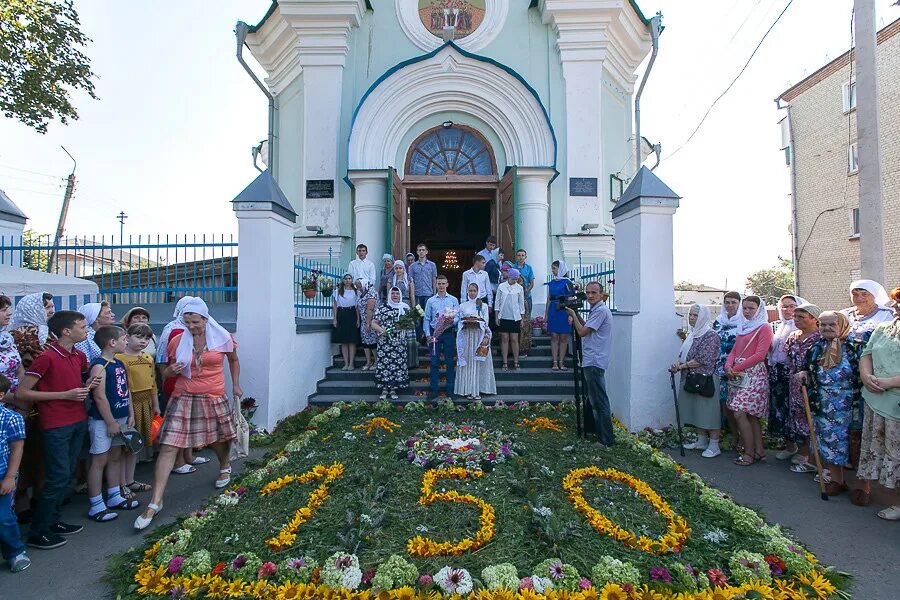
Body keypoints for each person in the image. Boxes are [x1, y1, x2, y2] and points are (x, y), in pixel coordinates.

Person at [134, 298, 241, 530]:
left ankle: (224, 466)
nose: (191, 326)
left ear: (205, 319)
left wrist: (236, 385)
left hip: (213, 394)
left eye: (195, 322)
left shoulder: (222, 338)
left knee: (219, 440)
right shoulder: (176, 340)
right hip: (183, 396)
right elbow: (164, 369)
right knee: (169, 446)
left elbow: (233, 360)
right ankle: (156, 501)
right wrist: (169, 371)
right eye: (187, 322)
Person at [17, 310, 92, 550]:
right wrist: (64, 396)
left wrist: (87, 385)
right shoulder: (47, 357)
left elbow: (77, 383)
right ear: (66, 331)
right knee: (57, 477)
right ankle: (38, 531)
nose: (86, 329)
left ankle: (53, 520)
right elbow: (22, 392)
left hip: (77, 420)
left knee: (67, 474)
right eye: (82, 326)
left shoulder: (78, 355)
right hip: (56, 424)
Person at [797, 311, 862, 496]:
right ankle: (836, 480)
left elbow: (861, 375)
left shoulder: (854, 347)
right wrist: (803, 373)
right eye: (823, 325)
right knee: (828, 442)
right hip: (823, 403)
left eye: (831, 325)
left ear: (841, 325)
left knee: (853, 444)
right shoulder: (817, 347)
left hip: (850, 405)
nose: (826, 328)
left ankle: (861, 487)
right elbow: (807, 367)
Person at [853, 287, 900, 520]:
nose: (897, 307)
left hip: (896, 400)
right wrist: (866, 376)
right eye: (896, 303)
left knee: (897, 451)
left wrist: (890, 381)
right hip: (876, 397)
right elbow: (866, 354)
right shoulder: (883, 328)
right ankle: (893, 501)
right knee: (881, 448)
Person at [85, 325, 139, 523]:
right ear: (112, 342)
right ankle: (96, 503)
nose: (127, 341)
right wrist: (110, 422)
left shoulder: (118, 363)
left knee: (116, 455)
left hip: (122, 418)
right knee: (99, 460)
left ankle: (115, 494)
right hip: (103, 421)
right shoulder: (100, 366)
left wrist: (130, 414)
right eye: (124, 339)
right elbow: (99, 397)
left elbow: (127, 391)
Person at [154, 297, 203, 474]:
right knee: (178, 424)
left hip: (192, 382)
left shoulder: (193, 329)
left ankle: (188, 456)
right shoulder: (173, 330)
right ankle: (178, 461)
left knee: (189, 421)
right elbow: (162, 358)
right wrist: (166, 377)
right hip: (176, 380)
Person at [724, 296, 772, 467]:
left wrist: (736, 367)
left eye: (751, 308)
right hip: (739, 374)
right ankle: (759, 451)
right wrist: (728, 365)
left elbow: (760, 354)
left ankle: (749, 453)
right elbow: (734, 351)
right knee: (750, 416)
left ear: (759, 309)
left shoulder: (764, 327)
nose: (747, 311)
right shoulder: (743, 326)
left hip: (754, 374)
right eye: (744, 308)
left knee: (740, 412)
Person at [670, 304, 723, 458]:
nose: (692, 318)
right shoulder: (693, 334)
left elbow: (703, 359)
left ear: (703, 317)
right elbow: (685, 354)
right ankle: (701, 441)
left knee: (709, 411)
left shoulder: (711, 335)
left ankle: (714, 445)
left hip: (706, 378)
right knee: (697, 410)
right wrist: (679, 364)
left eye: (695, 315)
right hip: (692, 378)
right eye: (691, 315)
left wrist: (682, 366)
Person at [566, 282, 614, 446]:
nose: (590, 295)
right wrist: (577, 314)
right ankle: (597, 433)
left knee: (599, 401)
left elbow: (581, 332)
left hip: (594, 360)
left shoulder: (600, 311)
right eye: (588, 293)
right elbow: (586, 326)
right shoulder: (597, 310)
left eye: (594, 292)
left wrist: (572, 312)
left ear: (601, 294)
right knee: (594, 400)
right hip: (592, 359)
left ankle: (605, 439)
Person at [115, 323, 159, 494]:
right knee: (124, 446)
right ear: (127, 337)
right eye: (139, 337)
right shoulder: (120, 359)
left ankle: (130, 480)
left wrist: (155, 404)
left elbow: (153, 382)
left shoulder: (148, 358)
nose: (143, 341)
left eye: (147, 338)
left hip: (145, 403)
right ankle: (120, 484)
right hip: (129, 404)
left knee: (136, 445)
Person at [786, 303, 823, 474]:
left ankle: (814, 458)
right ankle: (803, 452)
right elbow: (789, 358)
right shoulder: (793, 336)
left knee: (812, 420)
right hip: (794, 383)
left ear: (814, 319)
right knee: (798, 418)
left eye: (802, 317)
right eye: (795, 316)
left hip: (812, 384)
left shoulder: (820, 338)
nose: (797, 320)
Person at [0, 374, 30, 572]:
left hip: (3, 475)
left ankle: (15, 552)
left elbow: (17, 449)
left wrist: (10, 477)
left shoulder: (11, 418)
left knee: (3, 517)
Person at [768, 295, 804, 459]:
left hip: (794, 374)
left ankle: (805, 453)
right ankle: (790, 447)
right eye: (784, 306)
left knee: (796, 411)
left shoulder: (802, 327)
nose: (788, 310)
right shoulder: (776, 326)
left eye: (792, 306)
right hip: (777, 373)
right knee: (780, 408)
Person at [713, 291, 743, 449]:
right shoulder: (718, 321)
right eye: (727, 302)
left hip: (737, 368)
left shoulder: (743, 322)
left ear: (739, 304)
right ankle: (733, 435)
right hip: (720, 367)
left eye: (733, 302)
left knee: (738, 405)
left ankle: (743, 437)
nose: (730, 305)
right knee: (725, 403)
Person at [455, 284, 495, 400]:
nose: (472, 293)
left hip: (479, 335)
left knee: (478, 362)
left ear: (478, 292)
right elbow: (459, 321)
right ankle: (467, 389)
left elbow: (485, 321)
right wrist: (464, 323)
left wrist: (478, 321)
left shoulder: (483, 305)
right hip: (467, 336)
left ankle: (477, 389)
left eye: (474, 291)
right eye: (470, 291)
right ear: (467, 292)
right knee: (468, 361)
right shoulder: (462, 305)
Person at [370, 288, 411, 401]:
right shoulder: (382, 308)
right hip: (385, 343)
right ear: (389, 295)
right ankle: (384, 389)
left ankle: (393, 389)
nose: (395, 295)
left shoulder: (405, 308)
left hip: (399, 342)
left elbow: (411, 324)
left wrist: (403, 325)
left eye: (397, 293)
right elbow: (373, 323)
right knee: (385, 365)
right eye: (392, 293)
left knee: (396, 365)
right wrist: (381, 330)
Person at [424, 275, 460, 400]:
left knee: (450, 361)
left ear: (447, 284)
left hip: (448, 333)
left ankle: (450, 390)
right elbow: (427, 318)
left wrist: (452, 321)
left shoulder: (453, 300)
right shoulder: (431, 301)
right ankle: (434, 390)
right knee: (434, 362)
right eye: (439, 283)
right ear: (436, 284)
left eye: (443, 283)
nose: (441, 286)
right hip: (435, 334)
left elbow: (458, 316)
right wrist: (428, 334)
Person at [9, 292, 54, 369]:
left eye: (52, 307)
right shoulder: (19, 334)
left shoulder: (48, 329)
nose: (52, 311)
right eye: (47, 307)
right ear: (32, 310)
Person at [546, 260, 575, 371]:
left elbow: (571, 299)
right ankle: (554, 362)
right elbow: (549, 299)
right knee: (554, 336)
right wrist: (546, 314)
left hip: (564, 310)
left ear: (560, 269)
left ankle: (561, 362)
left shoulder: (568, 283)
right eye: (552, 268)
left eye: (554, 268)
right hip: (554, 310)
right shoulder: (552, 283)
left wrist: (571, 315)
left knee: (563, 337)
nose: (552, 271)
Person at [494, 268, 525, 370]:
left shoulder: (519, 288)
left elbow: (521, 304)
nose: (515, 281)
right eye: (513, 279)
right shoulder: (501, 287)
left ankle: (516, 361)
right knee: (504, 338)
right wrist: (496, 316)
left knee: (514, 339)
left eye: (516, 279)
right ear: (509, 277)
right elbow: (497, 302)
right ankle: (505, 362)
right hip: (503, 316)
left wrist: (522, 318)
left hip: (515, 317)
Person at [408, 243, 438, 340]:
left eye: (423, 250)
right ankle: (419, 339)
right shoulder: (412, 266)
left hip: (428, 295)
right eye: (419, 250)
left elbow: (434, 280)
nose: (421, 252)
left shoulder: (432, 265)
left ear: (426, 252)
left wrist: (434, 294)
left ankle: (428, 338)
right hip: (417, 295)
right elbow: (410, 282)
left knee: (428, 317)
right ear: (417, 252)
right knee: (417, 318)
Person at [332, 274, 360, 370]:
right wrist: (335, 319)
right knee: (344, 341)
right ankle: (346, 363)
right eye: (346, 278)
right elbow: (335, 306)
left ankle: (351, 363)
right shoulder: (337, 292)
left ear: (352, 280)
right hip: (342, 314)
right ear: (343, 280)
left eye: (349, 278)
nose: (347, 280)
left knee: (352, 341)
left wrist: (358, 319)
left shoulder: (356, 292)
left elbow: (357, 307)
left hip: (352, 314)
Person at [513, 249, 535, 357]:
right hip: (515, 297)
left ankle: (528, 342)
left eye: (522, 255)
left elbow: (532, 283)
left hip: (526, 296)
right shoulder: (513, 267)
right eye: (519, 255)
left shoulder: (529, 268)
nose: (520, 257)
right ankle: (517, 343)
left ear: (525, 257)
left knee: (527, 320)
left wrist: (526, 290)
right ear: (516, 257)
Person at [356, 279, 379, 371]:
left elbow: (370, 309)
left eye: (359, 286)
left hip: (372, 322)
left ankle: (377, 361)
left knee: (372, 343)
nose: (358, 288)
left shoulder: (371, 293)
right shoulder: (361, 293)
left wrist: (368, 324)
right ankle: (368, 362)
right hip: (363, 321)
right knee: (365, 343)